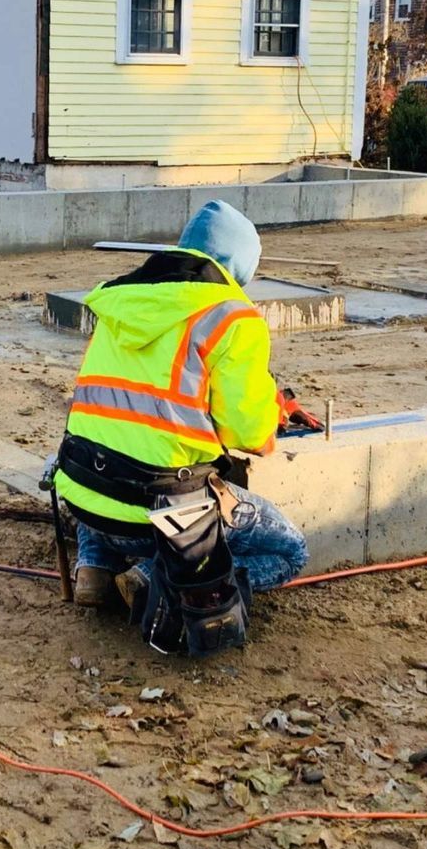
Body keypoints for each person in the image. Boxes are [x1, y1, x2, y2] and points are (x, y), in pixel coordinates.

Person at [49, 200, 316, 656]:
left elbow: (145, 401)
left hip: (81, 496)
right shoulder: (233, 317)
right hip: (157, 514)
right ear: (239, 264)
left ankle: (94, 565)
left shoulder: (120, 301)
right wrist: (269, 414)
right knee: (291, 551)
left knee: (111, 450)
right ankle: (153, 576)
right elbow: (247, 435)